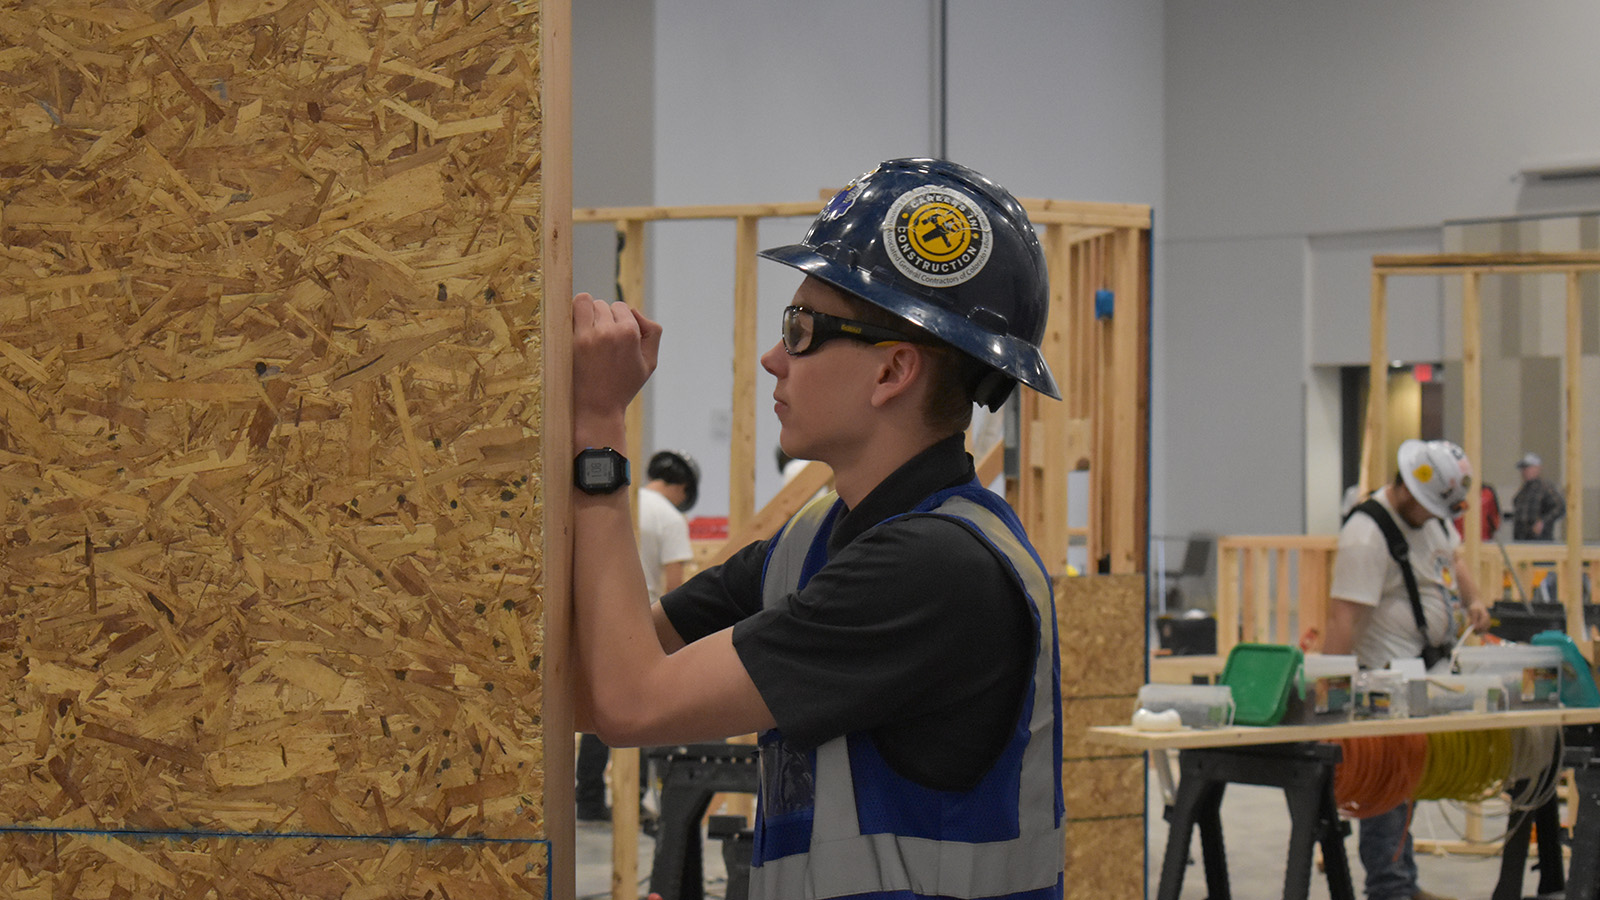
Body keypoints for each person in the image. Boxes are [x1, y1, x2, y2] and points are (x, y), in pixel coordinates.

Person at [570, 158, 1065, 899]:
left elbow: (628, 705)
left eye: (800, 329)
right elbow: (591, 685)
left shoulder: (933, 571)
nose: (773, 359)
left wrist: (600, 426)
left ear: (892, 372)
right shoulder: (813, 544)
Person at [1324, 439, 1490, 900]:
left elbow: (1454, 558)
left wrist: (1473, 598)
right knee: (1387, 788)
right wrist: (1328, 695)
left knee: (1407, 787)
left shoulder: (1431, 519)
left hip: (1421, 674)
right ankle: (1391, 889)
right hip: (1382, 679)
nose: (1436, 517)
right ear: (1409, 492)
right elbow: (1344, 617)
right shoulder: (1367, 534)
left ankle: (1404, 883)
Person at [575, 449, 701, 822]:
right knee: (644, 712)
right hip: (644, 623)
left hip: (597, 620)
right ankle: (638, 802)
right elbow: (675, 585)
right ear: (681, 487)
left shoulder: (620, 498)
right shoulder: (671, 516)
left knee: (597, 715)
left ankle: (590, 800)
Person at [1511, 452, 1564, 541]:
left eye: (1528, 468)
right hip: (1521, 539)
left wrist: (1543, 522)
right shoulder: (1523, 490)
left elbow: (1560, 507)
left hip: (1539, 539)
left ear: (1537, 468)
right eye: (1523, 469)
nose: (1524, 471)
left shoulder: (1545, 488)